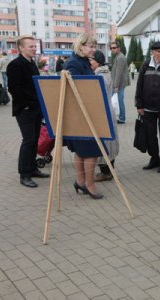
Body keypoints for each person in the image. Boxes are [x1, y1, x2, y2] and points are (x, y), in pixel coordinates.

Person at [63, 33, 104, 199]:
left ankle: (80, 181)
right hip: (80, 115)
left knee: (81, 151)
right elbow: (76, 91)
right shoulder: (73, 64)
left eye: (94, 46)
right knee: (91, 151)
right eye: (91, 46)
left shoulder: (82, 61)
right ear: (81, 46)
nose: (94, 49)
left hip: (85, 112)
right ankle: (89, 184)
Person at [6, 35, 50, 188]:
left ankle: (32, 169)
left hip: (36, 108)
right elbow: (13, 88)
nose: (34, 48)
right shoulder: (15, 65)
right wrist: (26, 105)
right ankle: (24, 174)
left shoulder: (32, 64)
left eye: (34, 46)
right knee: (28, 140)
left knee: (35, 139)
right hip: (24, 110)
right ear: (21, 48)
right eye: (30, 46)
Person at [136, 41, 160, 173]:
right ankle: (154, 159)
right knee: (150, 136)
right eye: (159, 51)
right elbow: (139, 85)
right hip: (147, 108)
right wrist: (139, 104)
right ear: (152, 52)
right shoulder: (146, 65)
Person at [90, 50, 119, 182]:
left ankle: (106, 173)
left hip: (102, 111)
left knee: (104, 142)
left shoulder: (99, 76)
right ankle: (109, 171)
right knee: (109, 141)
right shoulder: (106, 72)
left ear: (98, 61)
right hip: (107, 110)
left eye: (91, 60)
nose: (90, 63)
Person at [110, 41, 130, 124]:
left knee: (119, 100)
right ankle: (120, 117)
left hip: (119, 84)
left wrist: (116, 86)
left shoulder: (120, 58)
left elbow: (119, 73)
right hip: (119, 83)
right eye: (111, 48)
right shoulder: (118, 56)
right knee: (118, 100)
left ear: (119, 48)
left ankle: (122, 118)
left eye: (114, 48)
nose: (112, 49)